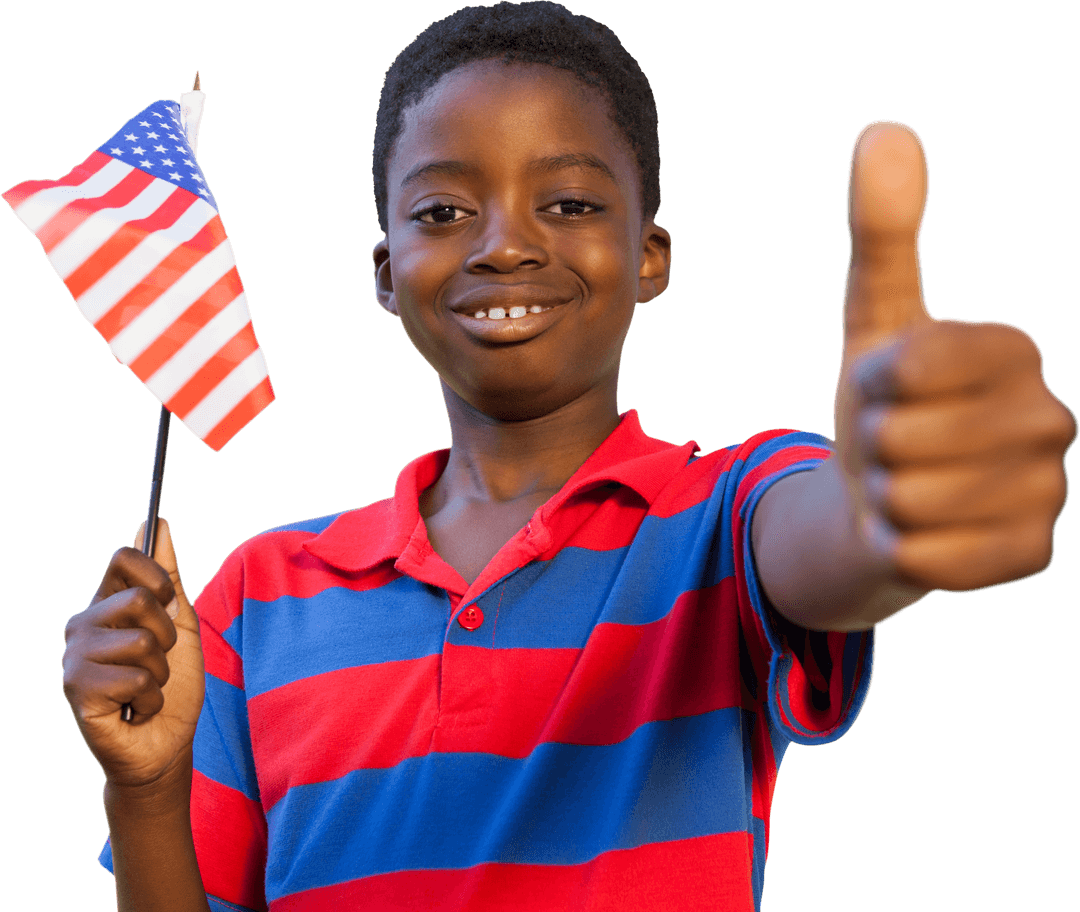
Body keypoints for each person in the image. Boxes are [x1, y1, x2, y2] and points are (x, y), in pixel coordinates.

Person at [60, 3, 1076, 911]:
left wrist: (888, 517)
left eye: (571, 204)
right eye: (442, 212)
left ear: (648, 256)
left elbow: (834, 542)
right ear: (386, 271)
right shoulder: (262, 594)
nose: (504, 245)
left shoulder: (720, 516)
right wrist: (144, 791)